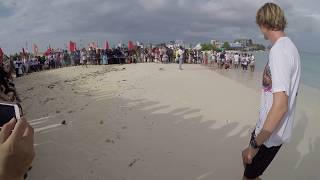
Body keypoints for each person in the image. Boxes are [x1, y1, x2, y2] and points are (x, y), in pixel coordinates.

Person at [242, 3, 301, 179]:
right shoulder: (289, 48)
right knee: (247, 165)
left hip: (270, 135)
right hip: (269, 129)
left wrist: (255, 144)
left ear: (263, 23)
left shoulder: (280, 51)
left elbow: (280, 106)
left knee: (249, 175)